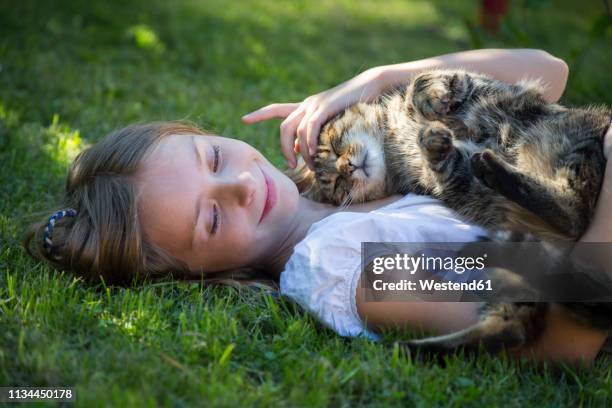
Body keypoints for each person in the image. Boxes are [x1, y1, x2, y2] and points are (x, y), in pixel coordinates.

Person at [25, 49, 610, 364]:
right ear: (208, 272)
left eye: (211, 158)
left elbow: (546, 73)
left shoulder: (348, 168)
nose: (241, 187)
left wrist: (381, 78)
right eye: (211, 218)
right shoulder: (355, 267)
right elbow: (567, 328)